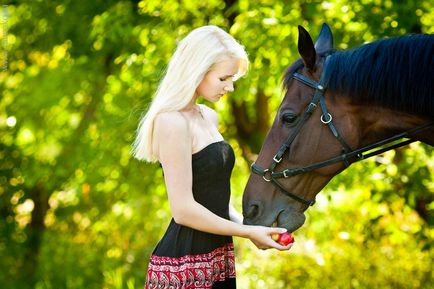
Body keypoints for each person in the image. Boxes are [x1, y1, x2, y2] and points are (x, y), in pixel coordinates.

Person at [133, 25, 291, 289]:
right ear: (197, 71)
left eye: (232, 79)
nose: (230, 87)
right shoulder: (171, 122)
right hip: (183, 266)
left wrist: (252, 231)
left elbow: (213, 199)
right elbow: (183, 210)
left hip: (218, 259)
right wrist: (247, 231)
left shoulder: (209, 117)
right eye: (223, 78)